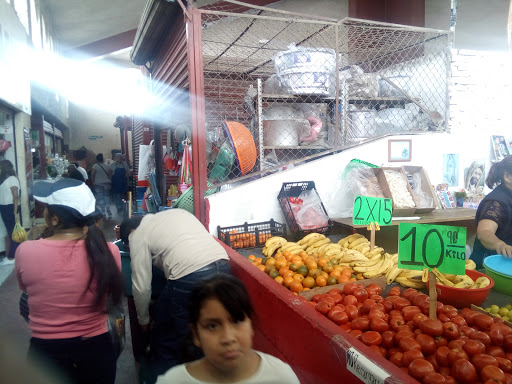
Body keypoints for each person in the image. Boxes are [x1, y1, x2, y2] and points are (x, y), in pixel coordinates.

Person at [15, 178, 123, 384]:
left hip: (45, 354)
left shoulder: (26, 251)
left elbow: (25, 288)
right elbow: (110, 294)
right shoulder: (109, 251)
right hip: (97, 351)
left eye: (47, 208)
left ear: (54, 218)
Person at [128, 208, 231, 382]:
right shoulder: (177, 214)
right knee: (173, 320)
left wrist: (143, 320)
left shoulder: (137, 234)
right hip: (223, 266)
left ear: (130, 232)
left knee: (172, 339)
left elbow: (141, 286)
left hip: (189, 277)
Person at [155, 274, 300, 384]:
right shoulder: (172, 381)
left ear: (251, 326)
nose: (228, 338)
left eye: (236, 321)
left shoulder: (281, 377)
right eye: (212, 326)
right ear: (196, 334)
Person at [471, 156, 512, 268]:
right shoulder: (495, 201)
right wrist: (500, 245)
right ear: (507, 177)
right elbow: (484, 232)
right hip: (488, 268)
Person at [0, 160, 21, 263]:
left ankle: (13, 257)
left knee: (13, 232)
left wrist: (15, 212)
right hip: (4, 207)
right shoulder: (5, 179)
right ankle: (12, 254)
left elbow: (15, 196)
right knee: (9, 231)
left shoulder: (12, 179)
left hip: (10, 207)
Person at [91, 153, 113, 218]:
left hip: (98, 184)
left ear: (97, 159)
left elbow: (92, 174)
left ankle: (103, 212)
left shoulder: (95, 166)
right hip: (107, 184)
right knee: (107, 197)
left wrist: (93, 182)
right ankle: (108, 210)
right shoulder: (107, 166)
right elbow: (110, 175)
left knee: (101, 198)